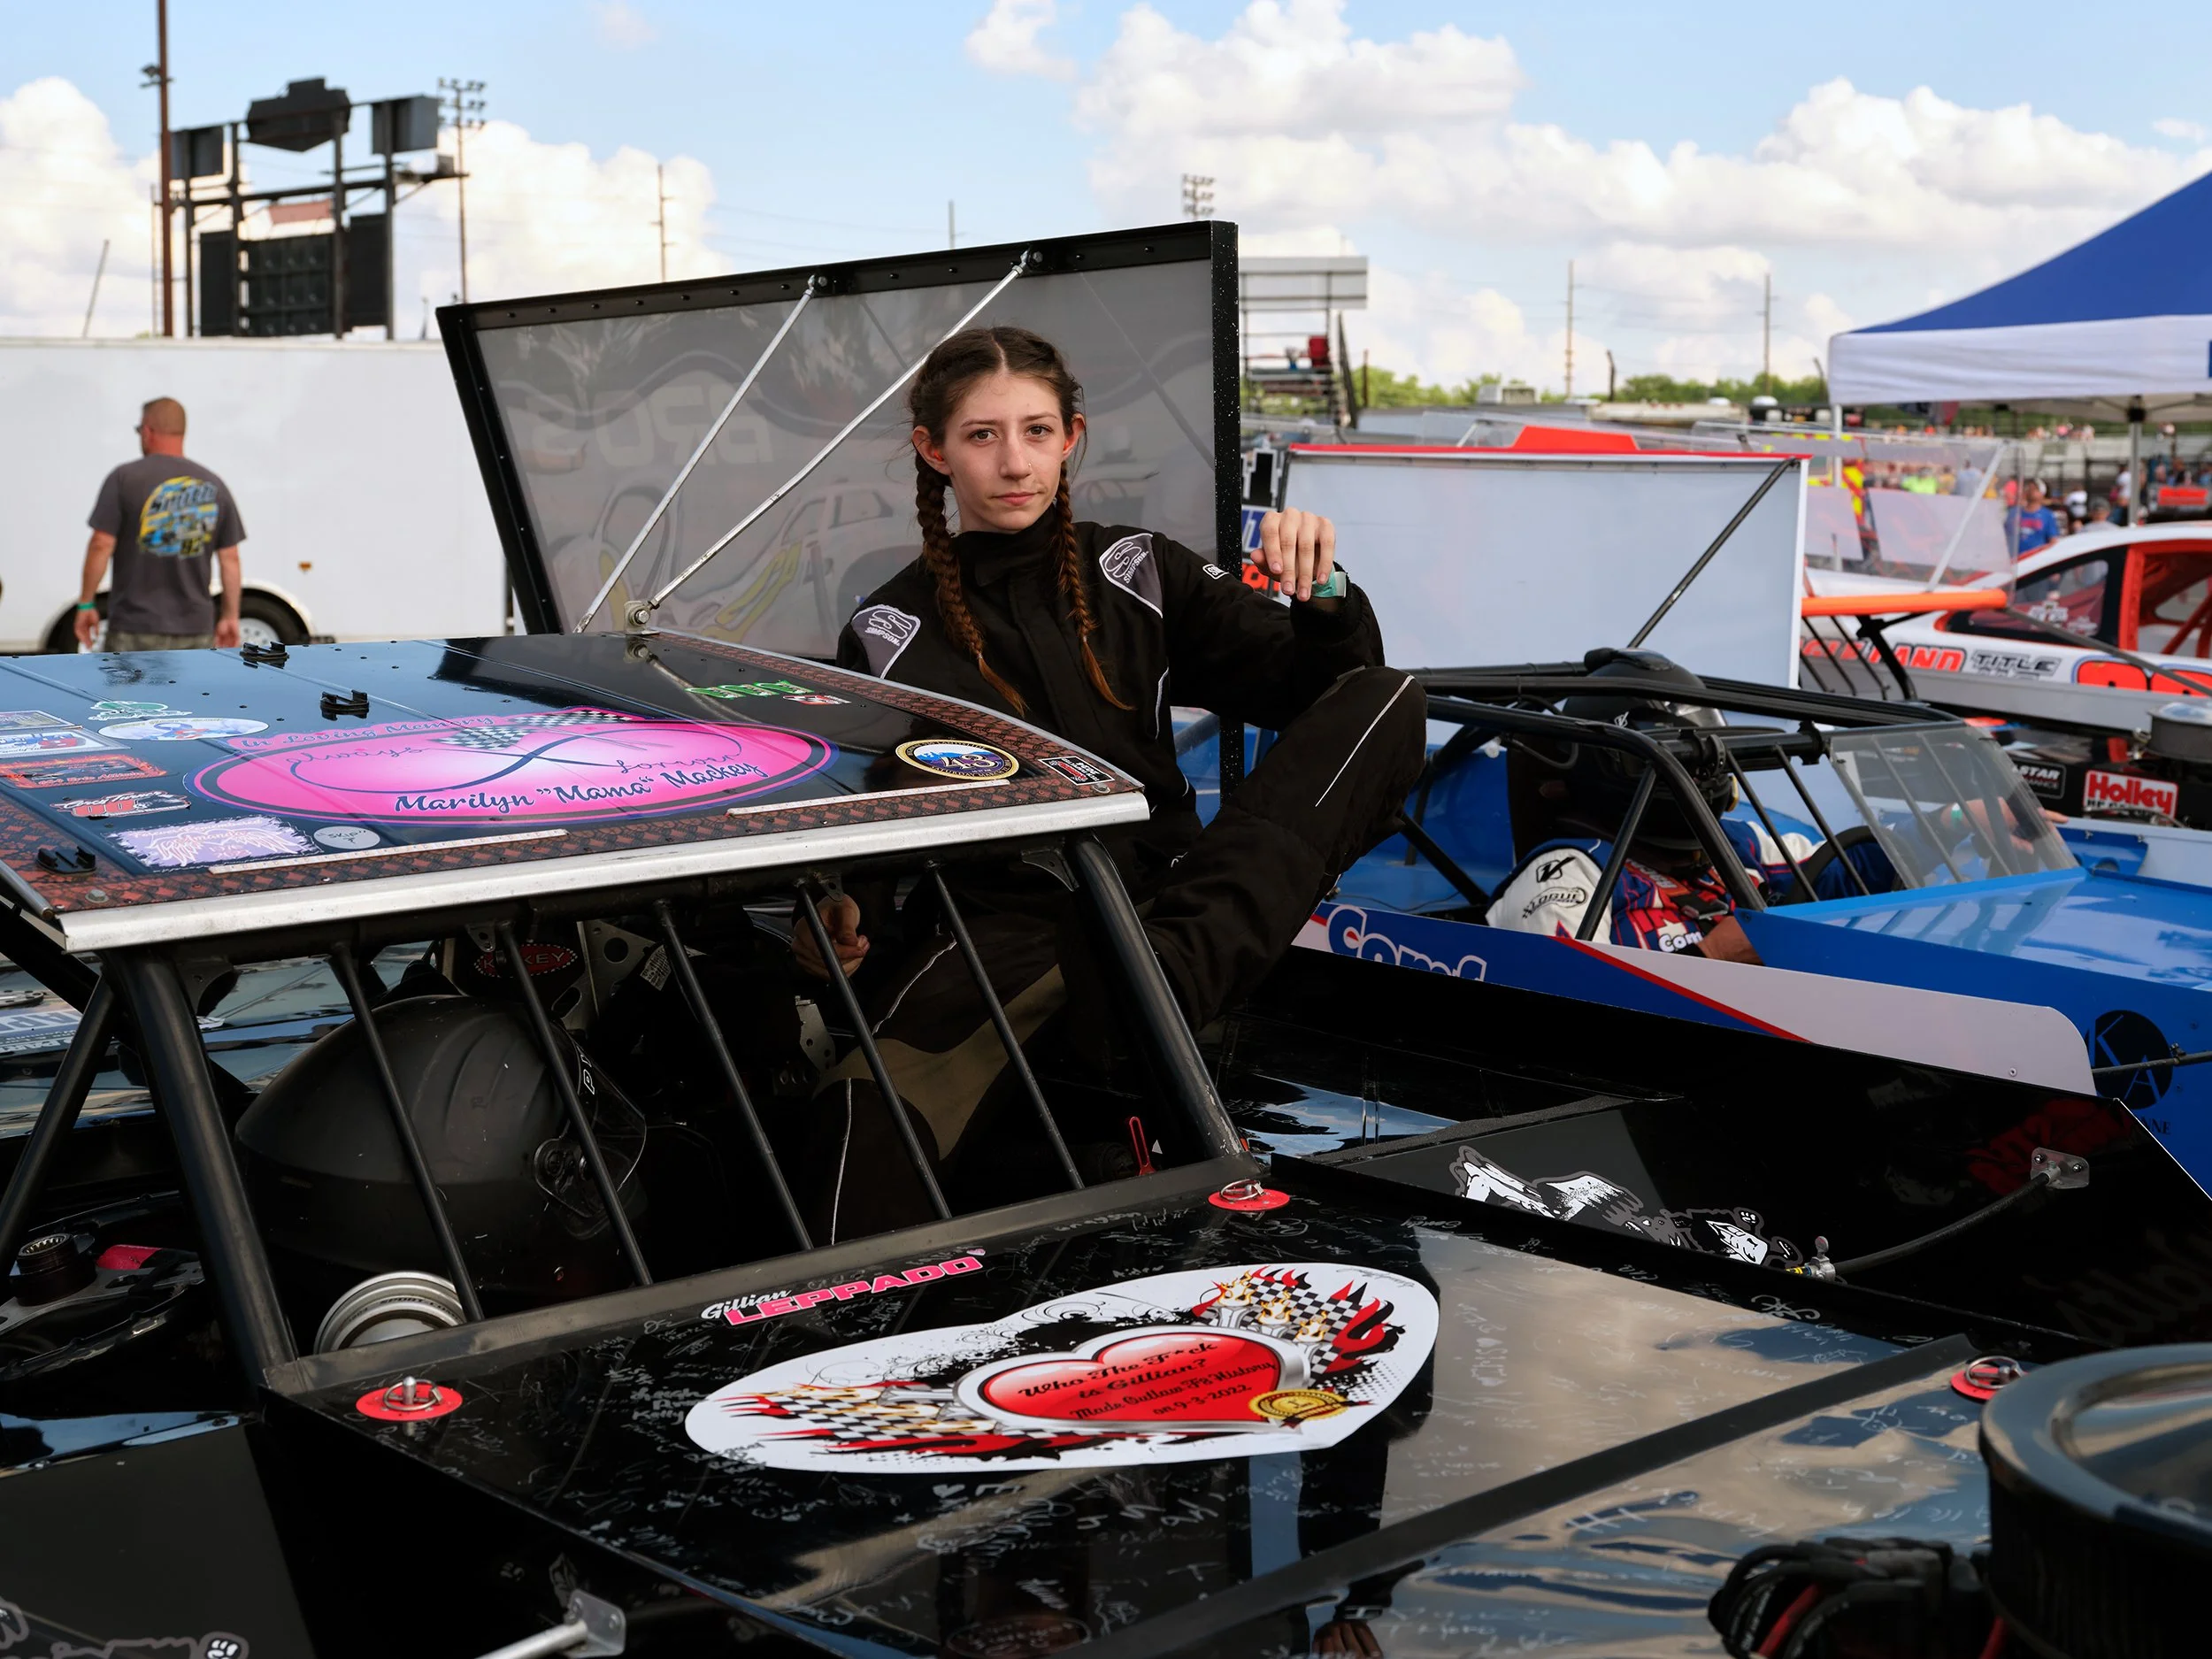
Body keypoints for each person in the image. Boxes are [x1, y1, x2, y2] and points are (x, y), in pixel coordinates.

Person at [792, 325, 1424, 1234]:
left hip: (1178, 907)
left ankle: (1157, 980)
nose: (1015, 462)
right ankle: (1149, 992)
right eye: (982, 436)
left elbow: (1316, 690)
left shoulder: (1139, 570)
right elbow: (878, 835)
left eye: (1037, 431)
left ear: (1071, 437)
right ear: (933, 451)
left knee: (1387, 697)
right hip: (1005, 935)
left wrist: (1323, 590)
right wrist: (837, 915)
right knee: (854, 1120)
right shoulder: (888, 629)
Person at [78, 396, 243, 651]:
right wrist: (230, 617)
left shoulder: (124, 478)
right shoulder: (214, 484)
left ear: (147, 430)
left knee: (130, 693)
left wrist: (87, 604)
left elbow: (101, 544)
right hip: (195, 628)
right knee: (190, 694)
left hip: (134, 626)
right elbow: (230, 558)